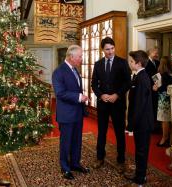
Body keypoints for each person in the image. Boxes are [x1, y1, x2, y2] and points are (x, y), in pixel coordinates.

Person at [91, 37, 131, 173]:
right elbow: (93, 84)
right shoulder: (98, 64)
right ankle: (99, 158)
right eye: (107, 49)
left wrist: (117, 95)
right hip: (103, 103)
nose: (110, 52)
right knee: (101, 132)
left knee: (120, 133)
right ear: (103, 50)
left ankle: (121, 161)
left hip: (118, 104)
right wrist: (101, 95)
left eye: (112, 48)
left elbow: (127, 83)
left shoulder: (122, 63)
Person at [52, 45, 90, 180]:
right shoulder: (59, 72)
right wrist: (79, 97)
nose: (81, 58)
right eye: (79, 56)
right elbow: (60, 93)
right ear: (71, 57)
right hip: (66, 114)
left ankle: (75, 163)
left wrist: (81, 97)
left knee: (77, 141)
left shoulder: (75, 70)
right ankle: (65, 168)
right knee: (66, 142)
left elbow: (75, 88)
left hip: (77, 113)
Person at [125, 50, 154, 186]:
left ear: (138, 63)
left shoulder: (142, 78)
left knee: (141, 151)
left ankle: (140, 178)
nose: (129, 63)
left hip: (142, 121)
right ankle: (139, 174)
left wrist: (131, 125)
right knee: (139, 150)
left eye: (131, 61)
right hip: (140, 120)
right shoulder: (138, 75)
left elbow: (139, 105)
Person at [152, 56, 172, 147]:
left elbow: (162, 89)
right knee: (168, 120)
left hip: (163, 100)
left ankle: (164, 138)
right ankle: (168, 138)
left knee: (164, 120)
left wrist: (156, 88)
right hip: (170, 99)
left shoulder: (162, 75)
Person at [145, 47, 160, 132]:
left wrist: (158, 84)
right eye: (155, 53)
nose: (157, 55)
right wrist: (153, 85)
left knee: (155, 108)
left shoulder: (158, 62)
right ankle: (150, 127)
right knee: (149, 108)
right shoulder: (146, 63)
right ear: (150, 53)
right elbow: (147, 76)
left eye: (157, 53)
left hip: (157, 89)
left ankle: (155, 127)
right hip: (149, 89)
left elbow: (159, 74)